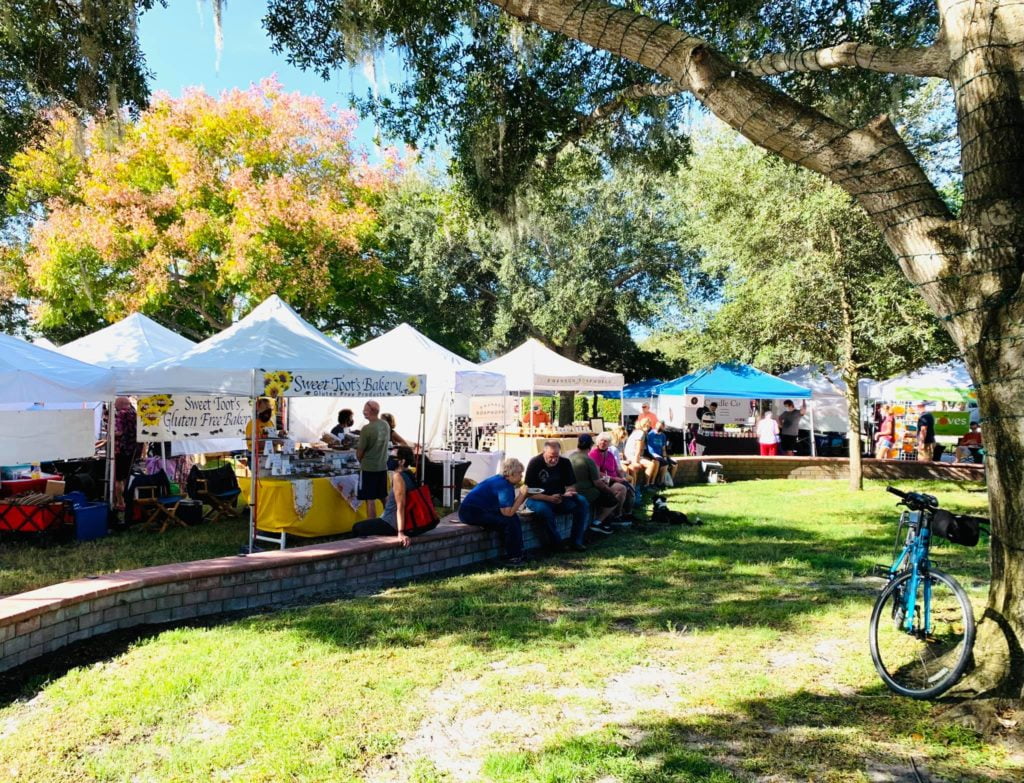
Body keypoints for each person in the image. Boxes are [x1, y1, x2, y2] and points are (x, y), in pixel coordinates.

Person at [458, 457, 529, 564]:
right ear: (511, 473)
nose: (521, 476)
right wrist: (522, 496)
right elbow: (508, 513)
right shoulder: (504, 486)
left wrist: (521, 497)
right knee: (509, 521)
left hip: (473, 510)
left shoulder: (500, 479)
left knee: (513, 518)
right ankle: (514, 557)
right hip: (471, 513)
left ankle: (518, 552)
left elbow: (508, 508)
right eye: (519, 473)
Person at [524, 440, 588, 552]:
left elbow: (571, 485)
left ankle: (577, 541)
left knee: (582, 501)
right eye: (551, 457)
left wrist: (569, 492)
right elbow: (528, 492)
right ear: (544, 452)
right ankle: (557, 544)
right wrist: (548, 498)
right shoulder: (535, 463)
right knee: (544, 510)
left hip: (559, 497)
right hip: (538, 498)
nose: (554, 460)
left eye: (556, 456)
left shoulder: (565, 462)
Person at [350, 446, 418, 547]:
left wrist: (400, 532)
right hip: (396, 520)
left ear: (402, 461)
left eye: (393, 458)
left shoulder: (398, 476)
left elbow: (401, 506)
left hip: (391, 523)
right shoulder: (409, 474)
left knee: (357, 527)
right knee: (367, 525)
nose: (389, 460)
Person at [568, 434, 616, 535]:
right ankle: (597, 523)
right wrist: (609, 490)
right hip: (584, 492)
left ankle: (604, 522)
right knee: (612, 499)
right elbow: (597, 483)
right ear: (590, 446)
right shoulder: (589, 460)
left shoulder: (570, 456)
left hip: (569, 490)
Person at [589, 432, 635, 521]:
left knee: (630, 487)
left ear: (609, 443)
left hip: (614, 479)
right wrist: (615, 479)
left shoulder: (609, 454)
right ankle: (617, 515)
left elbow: (617, 469)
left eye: (606, 441)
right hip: (605, 481)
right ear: (597, 442)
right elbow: (597, 473)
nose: (603, 443)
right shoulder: (595, 453)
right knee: (621, 488)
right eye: (601, 440)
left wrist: (622, 477)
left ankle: (628, 513)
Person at [356, 400, 391, 518]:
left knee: (370, 499)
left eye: (365, 409)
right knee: (383, 495)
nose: (363, 412)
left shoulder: (367, 429)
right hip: (382, 466)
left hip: (369, 468)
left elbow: (360, 451)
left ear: (370, 411)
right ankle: (391, 520)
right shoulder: (385, 424)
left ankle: (372, 526)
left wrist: (360, 460)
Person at [113, 396, 139, 511]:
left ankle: (120, 503)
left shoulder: (121, 414)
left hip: (121, 449)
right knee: (127, 477)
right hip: (133, 449)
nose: (114, 406)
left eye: (115, 404)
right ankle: (129, 500)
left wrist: (111, 435)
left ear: (120, 404)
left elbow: (119, 432)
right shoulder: (135, 413)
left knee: (118, 478)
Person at [625, 419, 659, 488]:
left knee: (656, 462)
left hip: (636, 455)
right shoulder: (640, 433)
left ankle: (652, 483)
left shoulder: (638, 432)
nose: (649, 426)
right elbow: (638, 448)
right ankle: (646, 485)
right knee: (651, 464)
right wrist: (636, 461)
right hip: (632, 455)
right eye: (648, 425)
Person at [645, 420, 675, 486]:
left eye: (661, 427)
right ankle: (658, 482)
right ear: (656, 425)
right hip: (652, 453)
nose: (660, 428)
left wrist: (665, 457)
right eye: (659, 426)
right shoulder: (650, 434)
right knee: (665, 464)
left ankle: (669, 482)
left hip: (660, 454)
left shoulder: (663, 436)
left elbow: (663, 448)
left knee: (674, 464)